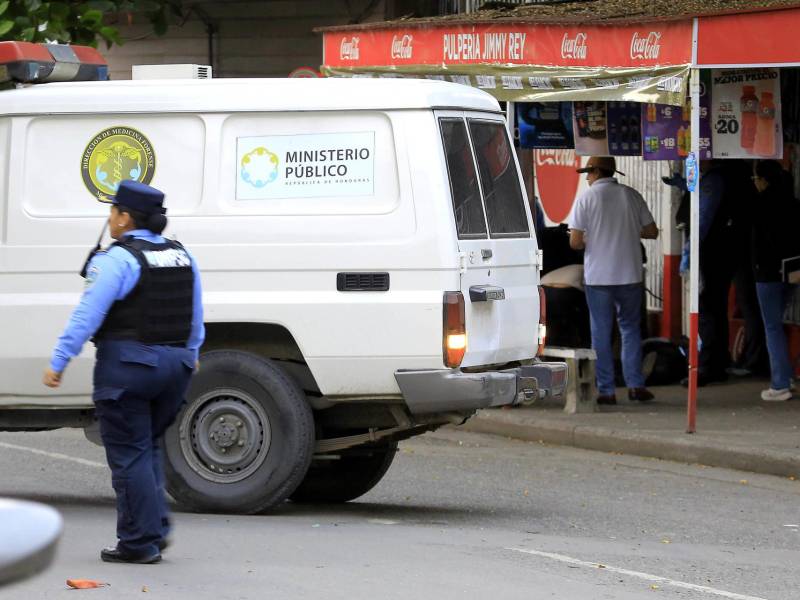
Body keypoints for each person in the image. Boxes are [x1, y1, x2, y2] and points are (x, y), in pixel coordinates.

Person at [42, 180, 204, 564]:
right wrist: (192, 352)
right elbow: (196, 314)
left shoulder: (117, 260)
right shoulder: (182, 255)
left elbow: (87, 315)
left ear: (125, 217)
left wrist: (60, 360)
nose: (110, 218)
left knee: (129, 455)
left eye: (113, 211)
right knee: (145, 447)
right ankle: (155, 531)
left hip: (129, 368)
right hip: (176, 366)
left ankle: (138, 542)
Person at [568, 156, 658, 404]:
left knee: (601, 332)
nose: (586, 178)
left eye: (588, 173)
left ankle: (606, 390)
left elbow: (574, 241)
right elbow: (652, 231)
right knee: (630, 330)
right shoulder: (630, 195)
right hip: (629, 275)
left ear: (597, 171)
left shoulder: (586, 199)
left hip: (598, 277)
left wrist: (594, 238)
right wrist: (628, 231)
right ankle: (635, 385)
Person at [750, 160, 800, 401]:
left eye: (755, 179)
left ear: (763, 180)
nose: (755, 183)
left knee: (772, 327)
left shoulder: (759, 205)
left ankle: (780, 384)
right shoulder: (793, 203)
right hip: (792, 271)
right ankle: (788, 377)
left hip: (767, 274)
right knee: (779, 324)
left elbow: (755, 244)